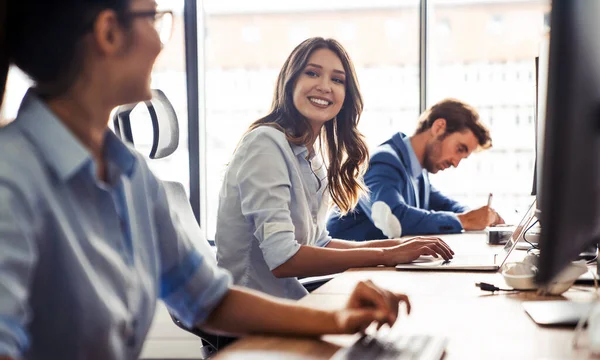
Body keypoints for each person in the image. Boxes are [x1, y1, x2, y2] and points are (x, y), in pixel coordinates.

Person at [0, 2, 412, 359]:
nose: (162, 43)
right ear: (109, 32)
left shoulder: (132, 176)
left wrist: (338, 319)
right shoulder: (12, 179)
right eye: (155, 18)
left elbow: (207, 299)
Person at [215, 37, 454, 300]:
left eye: (337, 80)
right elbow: (283, 258)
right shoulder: (265, 144)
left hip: (289, 303)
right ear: (290, 81)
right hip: (251, 316)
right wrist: (387, 255)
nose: (325, 86)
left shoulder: (309, 155)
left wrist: (397, 245)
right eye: (312, 73)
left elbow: (320, 243)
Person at [327, 98, 505, 241]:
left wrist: (480, 217)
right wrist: (465, 221)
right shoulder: (383, 161)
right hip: (339, 275)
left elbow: (446, 205)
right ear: (439, 127)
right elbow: (394, 218)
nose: (456, 163)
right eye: (460, 149)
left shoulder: (419, 172)